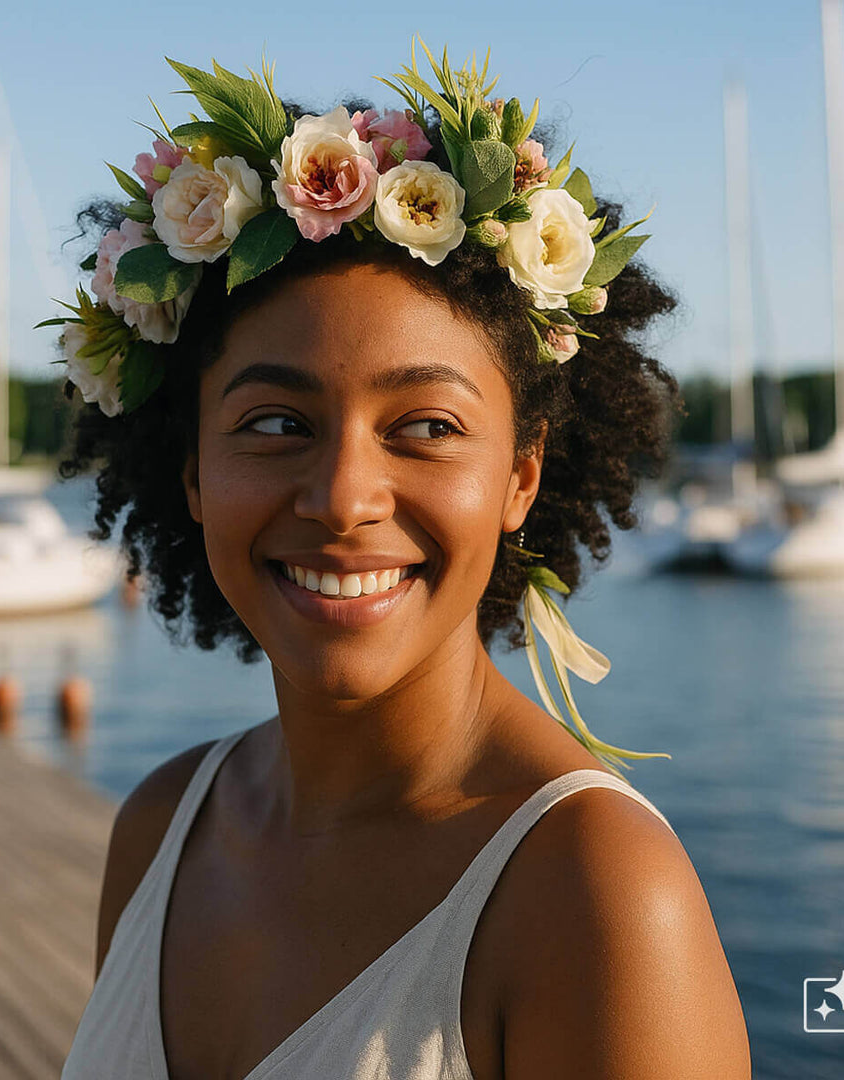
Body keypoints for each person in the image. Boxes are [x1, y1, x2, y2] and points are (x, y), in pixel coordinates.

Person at [55, 44, 752, 1079]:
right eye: (277, 421)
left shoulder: (594, 895)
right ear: (191, 467)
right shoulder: (160, 829)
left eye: (424, 425)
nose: (343, 496)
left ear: (520, 476)